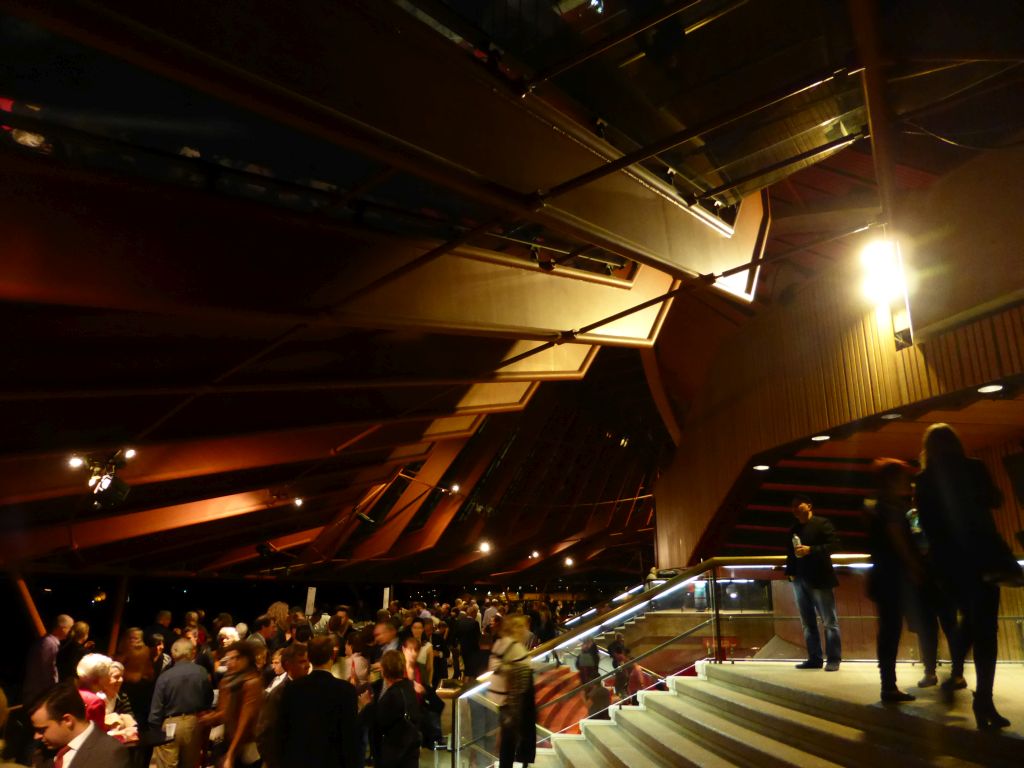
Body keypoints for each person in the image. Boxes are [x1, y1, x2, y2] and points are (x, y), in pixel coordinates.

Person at [915, 423, 1012, 729]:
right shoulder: (974, 468)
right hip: (982, 556)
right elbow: (996, 500)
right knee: (985, 628)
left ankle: (957, 672)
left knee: (967, 620)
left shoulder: (924, 479)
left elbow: (927, 525)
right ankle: (984, 698)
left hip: (948, 561)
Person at [863, 460, 922, 703]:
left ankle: (888, 684)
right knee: (893, 629)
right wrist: (913, 565)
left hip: (880, 573)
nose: (906, 482)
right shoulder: (891, 506)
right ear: (891, 480)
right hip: (894, 574)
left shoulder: (872, 505)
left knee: (888, 629)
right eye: (901, 478)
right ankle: (889, 686)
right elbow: (897, 537)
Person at [279, 636, 359, 768]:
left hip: (298, 760)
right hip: (333, 761)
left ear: (309, 658)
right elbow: (350, 737)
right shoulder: (346, 690)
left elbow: (283, 731)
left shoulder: (293, 688)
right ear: (332, 657)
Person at [786, 494, 842, 671]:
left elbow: (835, 545)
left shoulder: (822, 523)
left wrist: (811, 550)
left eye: (798, 505)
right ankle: (815, 658)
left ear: (809, 505)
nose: (795, 509)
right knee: (808, 622)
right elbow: (791, 554)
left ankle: (833, 659)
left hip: (821, 578)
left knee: (829, 621)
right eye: (792, 506)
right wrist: (791, 574)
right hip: (800, 580)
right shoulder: (794, 529)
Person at [29, 682, 130, 768]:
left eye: (42, 730)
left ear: (67, 720)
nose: (36, 736)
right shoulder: (44, 750)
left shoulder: (109, 754)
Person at [149, 638, 213, 768]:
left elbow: (156, 709)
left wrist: (154, 729)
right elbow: (209, 698)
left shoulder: (165, 676)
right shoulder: (201, 672)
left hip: (169, 724)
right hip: (194, 723)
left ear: (173, 653)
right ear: (192, 653)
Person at [199, 641, 263, 767]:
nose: (231, 662)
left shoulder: (252, 682)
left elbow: (245, 720)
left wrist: (230, 753)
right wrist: (210, 718)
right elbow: (224, 712)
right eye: (229, 658)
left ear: (246, 659)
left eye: (236, 658)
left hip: (246, 745)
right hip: (229, 740)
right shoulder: (227, 681)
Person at [487, 615, 536, 768]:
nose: (525, 631)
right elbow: (522, 677)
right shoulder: (515, 646)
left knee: (507, 742)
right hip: (514, 701)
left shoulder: (499, 643)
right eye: (522, 628)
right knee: (513, 740)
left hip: (501, 699)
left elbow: (494, 665)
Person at [256, 642, 308, 768]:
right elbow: (265, 730)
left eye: (307, 661)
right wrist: (272, 761)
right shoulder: (279, 693)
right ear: (288, 665)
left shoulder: (309, 687)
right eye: (301, 662)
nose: (307, 665)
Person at [368, 650, 421, 768]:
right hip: (410, 752)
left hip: (394, 755)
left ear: (384, 671)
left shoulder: (391, 696)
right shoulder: (408, 687)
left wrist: (367, 705)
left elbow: (377, 725)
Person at [23, 614, 73, 706]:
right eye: (70, 628)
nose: (71, 632)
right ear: (62, 628)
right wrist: (52, 693)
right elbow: (47, 671)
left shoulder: (47, 642)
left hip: (39, 693)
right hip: (40, 695)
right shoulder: (49, 644)